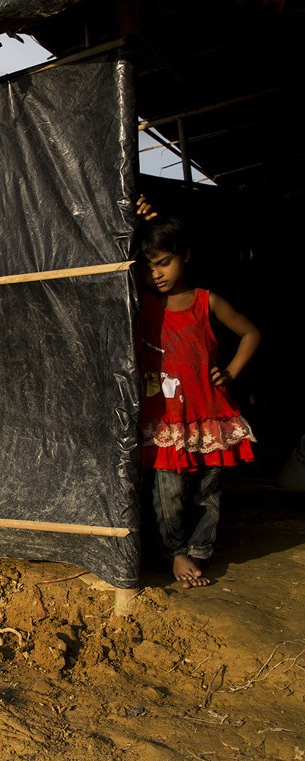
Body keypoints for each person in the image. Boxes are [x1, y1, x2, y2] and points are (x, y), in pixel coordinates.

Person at [136, 216, 260, 588]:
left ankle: (200, 551)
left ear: (185, 255)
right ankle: (174, 552)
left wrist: (232, 372)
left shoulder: (207, 301)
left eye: (164, 262)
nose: (156, 273)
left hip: (208, 415)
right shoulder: (141, 304)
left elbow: (251, 333)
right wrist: (144, 215)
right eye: (148, 266)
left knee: (207, 491)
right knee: (168, 492)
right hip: (166, 420)